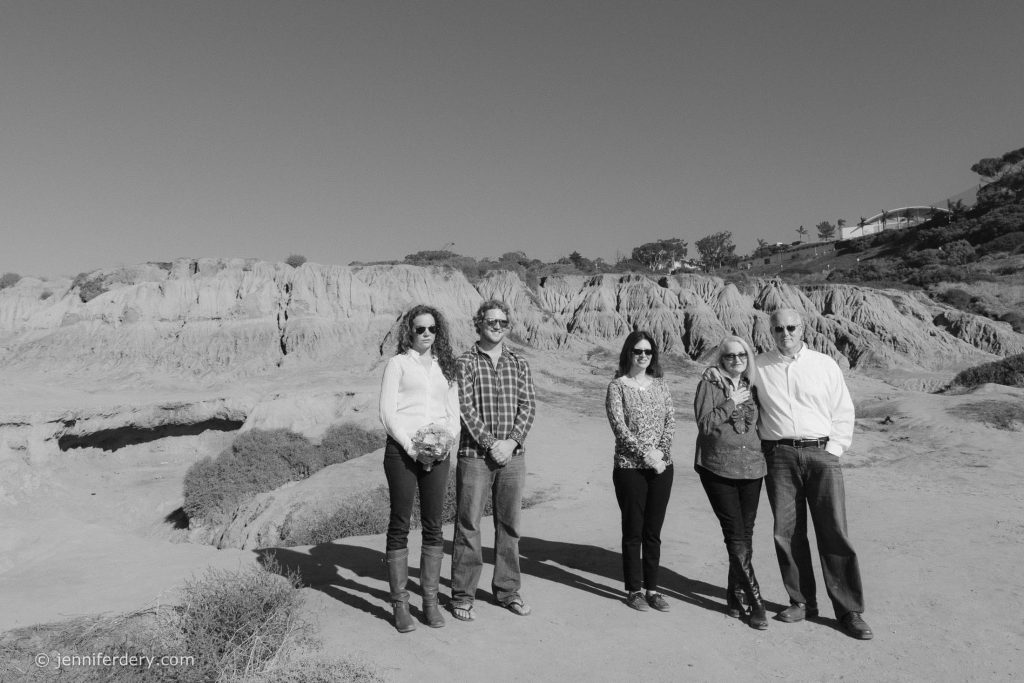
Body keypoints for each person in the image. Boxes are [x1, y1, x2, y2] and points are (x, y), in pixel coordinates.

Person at [756, 307, 872, 640]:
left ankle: (849, 610)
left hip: (822, 454)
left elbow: (843, 410)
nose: (785, 333)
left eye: (791, 327)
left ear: (803, 328)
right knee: (786, 532)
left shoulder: (824, 365)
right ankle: (801, 601)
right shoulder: (760, 366)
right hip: (779, 457)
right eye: (778, 329)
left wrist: (833, 450)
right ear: (771, 331)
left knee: (834, 530)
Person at [450, 299, 537, 621]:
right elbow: (465, 407)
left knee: (510, 527)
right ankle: (462, 595)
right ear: (479, 323)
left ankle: (508, 591)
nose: (497, 326)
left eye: (502, 322)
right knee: (469, 526)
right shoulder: (464, 362)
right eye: (491, 321)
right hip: (475, 456)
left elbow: (528, 406)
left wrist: (512, 442)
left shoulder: (519, 363)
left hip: (513, 458)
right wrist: (491, 444)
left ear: (508, 326)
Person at [379, 304, 460, 632]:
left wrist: (443, 444)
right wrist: (415, 449)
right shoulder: (397, 364)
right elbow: (387, 413)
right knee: (399, 523)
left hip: (439, 455)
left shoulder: (447, 367)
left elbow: (452, 413)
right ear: (409, 332)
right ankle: (400, 604)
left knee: (434, 524)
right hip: (402, 453)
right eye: (420, 329)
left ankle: (429, 601)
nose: (426, 334)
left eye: (431, 329)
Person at [694, 336, 768, 629]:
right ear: (720, 360)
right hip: (718, 468)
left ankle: (735, 598)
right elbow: (704, 423)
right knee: (735, 534)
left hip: (752, 468)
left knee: (745, 535)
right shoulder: (710, 385)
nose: (736, 360)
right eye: (729, 356)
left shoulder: (755, 385)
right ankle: (757, 600)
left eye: (741, 355)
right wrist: (730, 402)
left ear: (748, 358)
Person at [605, 330, 676, 612]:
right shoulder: (617, 386)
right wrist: (646, 455)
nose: (643, 356)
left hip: (662, 468)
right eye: (638, 351)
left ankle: (653, 589)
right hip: (630, 468)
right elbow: (619, 427)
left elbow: (670, 421)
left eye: (648, 352)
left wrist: (661, 453)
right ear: (628, 354)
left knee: (653, 532)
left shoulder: (661, 385)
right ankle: (634, 590)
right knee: (633, 529)